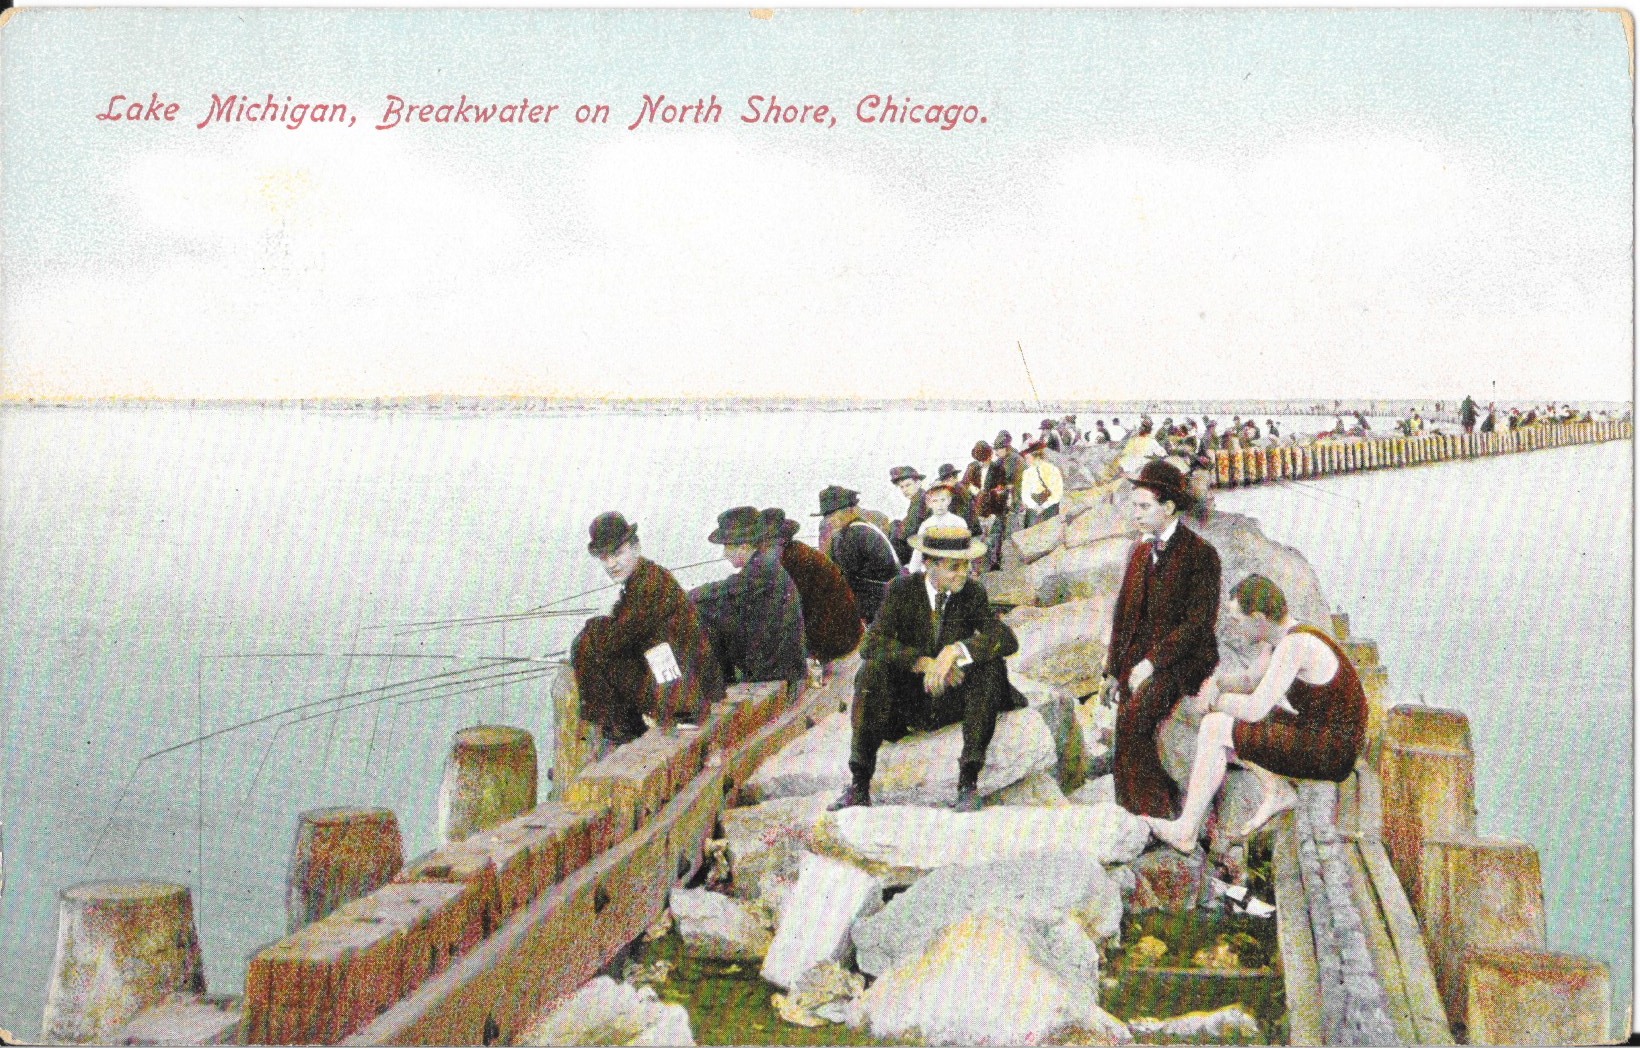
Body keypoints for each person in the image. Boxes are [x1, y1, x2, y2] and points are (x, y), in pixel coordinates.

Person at [1143, 575, 1367, 852]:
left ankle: (1185, 831)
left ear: (1259, 619)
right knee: (1237, 726)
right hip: (1321, 733)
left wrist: (1214, 703)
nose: (1235, 628)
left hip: (1334, 752)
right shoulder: (1278, 638)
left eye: (1238, 620)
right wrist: (1217, 683)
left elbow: (1254, 710)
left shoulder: (1294, 645)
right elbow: (1251, 680)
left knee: (1216, 728)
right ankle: (1277, 790)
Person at [829, 523, 1023, 813]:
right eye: (954, 567)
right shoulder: (901, 590)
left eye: (967, 566)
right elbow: (872, 643)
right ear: (930, 565)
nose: (964, 574)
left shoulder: (972, 593)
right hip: (911, 703)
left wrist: (956, 652)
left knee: (991, 666)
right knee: (871, 672)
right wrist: (925, 663)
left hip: (953, 699)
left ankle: (968, 781)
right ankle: (859, 784)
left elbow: (1005, 638)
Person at [1104, 461, 1222, 819]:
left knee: (1135, 719)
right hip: (1144, 658)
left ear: (1169, 508)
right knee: (1123, 720)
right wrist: (1112, 671)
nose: (1135, 514)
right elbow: (1123, 616)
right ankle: (1131, 810)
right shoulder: (1139, 552)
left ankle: (1154, 815)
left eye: (1143, 507)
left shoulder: (1201, 554)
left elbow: (1197, 625)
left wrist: (1150, 664)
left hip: (1185, 660)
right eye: (1134, 506)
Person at [572, 512, 726, 755]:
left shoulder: (649, 585)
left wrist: (593, 627)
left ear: (636, 547)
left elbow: (617, 638)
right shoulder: (647, 577)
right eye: (604, 557)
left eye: (617, 553)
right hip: (682, 686)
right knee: (592, 645)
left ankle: (617, 734)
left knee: (587, 646)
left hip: (683, 698)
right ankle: (616, 729)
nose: (611, 564)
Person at [690, 506, 807, 688]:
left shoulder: (761, 569)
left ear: (743, 547)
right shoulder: (764, 562)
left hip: (778, 674)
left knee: (701, 613)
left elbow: (721, 591)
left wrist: (682, 597)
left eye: (727, 547)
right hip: (786, 666)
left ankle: (719, 687)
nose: (724, 554)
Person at [762, 509, 863, 666]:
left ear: (775, 542)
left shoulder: (791, 560)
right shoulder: (797, 551)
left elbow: (788, 612)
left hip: (834, 641)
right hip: (846, 632)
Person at [814, 485, 902, 624]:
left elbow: (845, 578)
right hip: (891, 597)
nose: (828, 520)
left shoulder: (851, 535)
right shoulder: (864, 526)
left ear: (849, 510)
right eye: (826, 516)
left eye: (832, 514)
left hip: (877, 606)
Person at [888, 465, 929, 565]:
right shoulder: (918, 498)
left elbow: (909, 530)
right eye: (901, 487)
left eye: (908, 485)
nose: (904, 490)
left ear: (918, 483)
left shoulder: (921, 500)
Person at [1018, 439, 1064, 528]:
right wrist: (1035, 506)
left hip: (1050, 507)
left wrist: (1044, 506)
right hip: (1033, 509)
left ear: (1036, 455)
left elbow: (1057, 493)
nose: (1025, 460)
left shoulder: (1052, 470)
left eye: (1027, 457)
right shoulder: (1027, 473)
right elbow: (1025, 494)